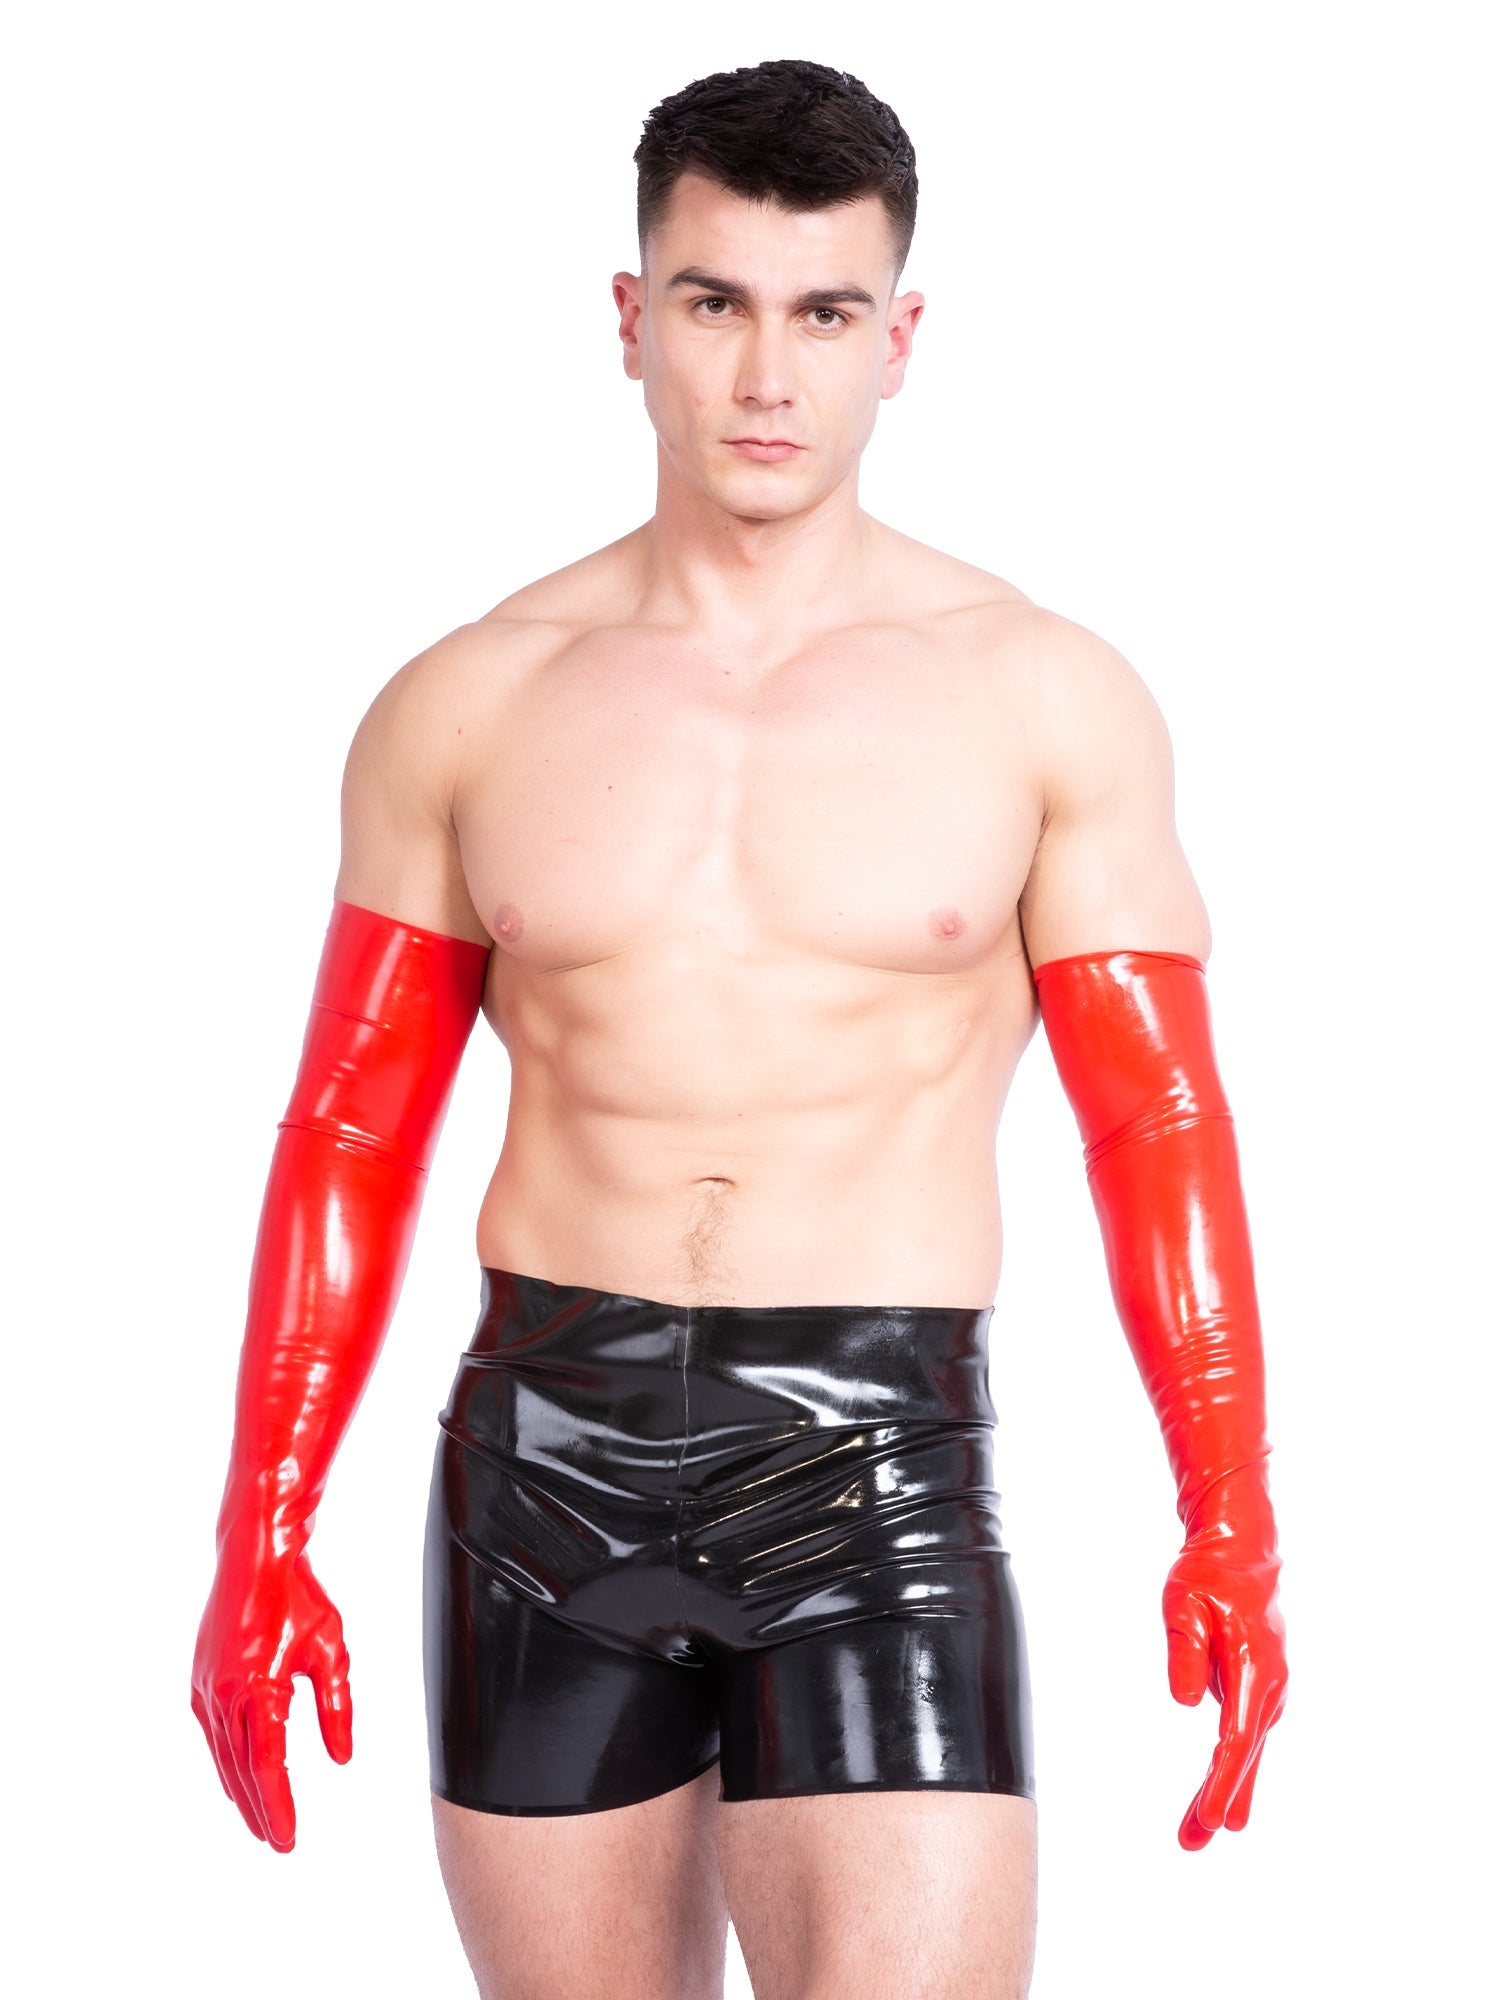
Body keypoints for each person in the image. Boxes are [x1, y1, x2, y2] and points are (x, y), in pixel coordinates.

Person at [191, 56, 1288, 2000]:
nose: (768, 374)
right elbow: (350, 1132)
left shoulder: (1040, 697)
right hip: (537, 1464)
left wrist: (1232, 1512)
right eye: (717, 303)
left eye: (825, 313)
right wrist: (257, 1527)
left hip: (874, 1468)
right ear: (632, 319)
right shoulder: (470, 700)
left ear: (899, 340)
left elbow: (1158, 1125)